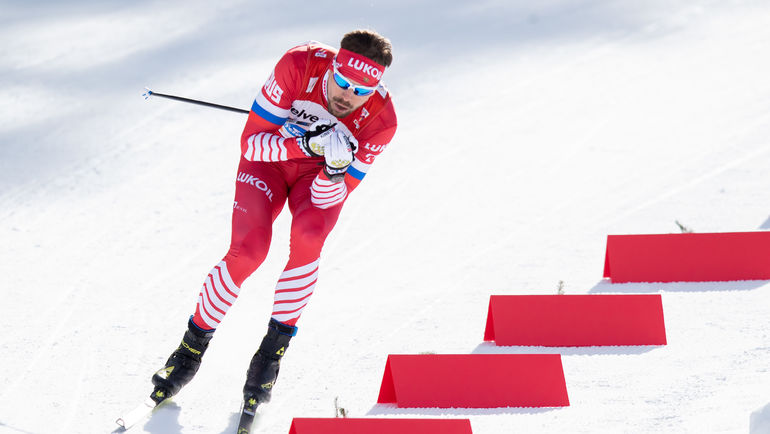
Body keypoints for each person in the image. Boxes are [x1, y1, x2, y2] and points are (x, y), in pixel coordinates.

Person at [149, 29, 397, 409]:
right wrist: (303, 143)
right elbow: (251, 145)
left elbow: (331, 198)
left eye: (360, 91)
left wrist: (333, 170)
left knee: (310, 236)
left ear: (375, 89)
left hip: (315, 178)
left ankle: (269, 356)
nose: (347, 96)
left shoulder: (381, 121)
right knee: (248, 252)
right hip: (270, 159)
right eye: (342, 82)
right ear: (332, 67)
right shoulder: (299, 64)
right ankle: (188, 351)